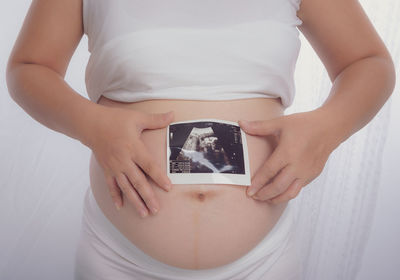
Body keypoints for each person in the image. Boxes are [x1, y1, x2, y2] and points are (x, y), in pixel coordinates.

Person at [5, 0, 395, 279]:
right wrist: (92, 125)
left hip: (262, 263)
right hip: (119, 259)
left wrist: (328, 127)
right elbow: (29, 67)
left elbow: (367, 61)